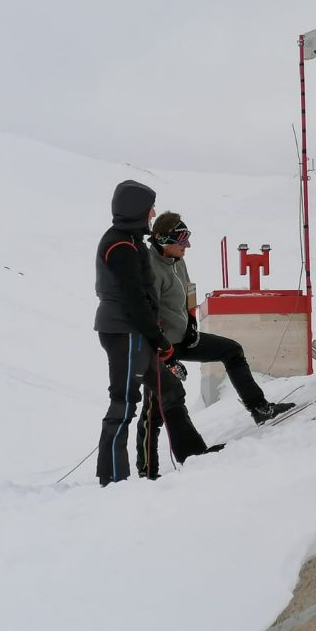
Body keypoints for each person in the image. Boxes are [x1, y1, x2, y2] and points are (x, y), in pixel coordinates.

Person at [136, 212, 295, 477]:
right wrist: (167, 355)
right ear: (164, 240)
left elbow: (189, 291)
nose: (188, 246)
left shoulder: (176, 260)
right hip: (159, 347)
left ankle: (259, 408)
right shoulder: (151, 268)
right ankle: (149, 470)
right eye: (182, 240)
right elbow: (149, 315)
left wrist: (192, 322)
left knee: (232, 350)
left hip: (183, 338)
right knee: (155, 408)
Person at [94, 180, 222, 486]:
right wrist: (158, 340)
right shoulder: (120, 245)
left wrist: (158, 340)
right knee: (124, 401)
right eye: (150, 207)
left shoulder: (132, 241)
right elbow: (135, 299)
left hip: (137, 332)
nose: (153, 212)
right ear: (136, 208)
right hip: (124, 332)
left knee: (171, 390)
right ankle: (113, 477)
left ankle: (192, 455)